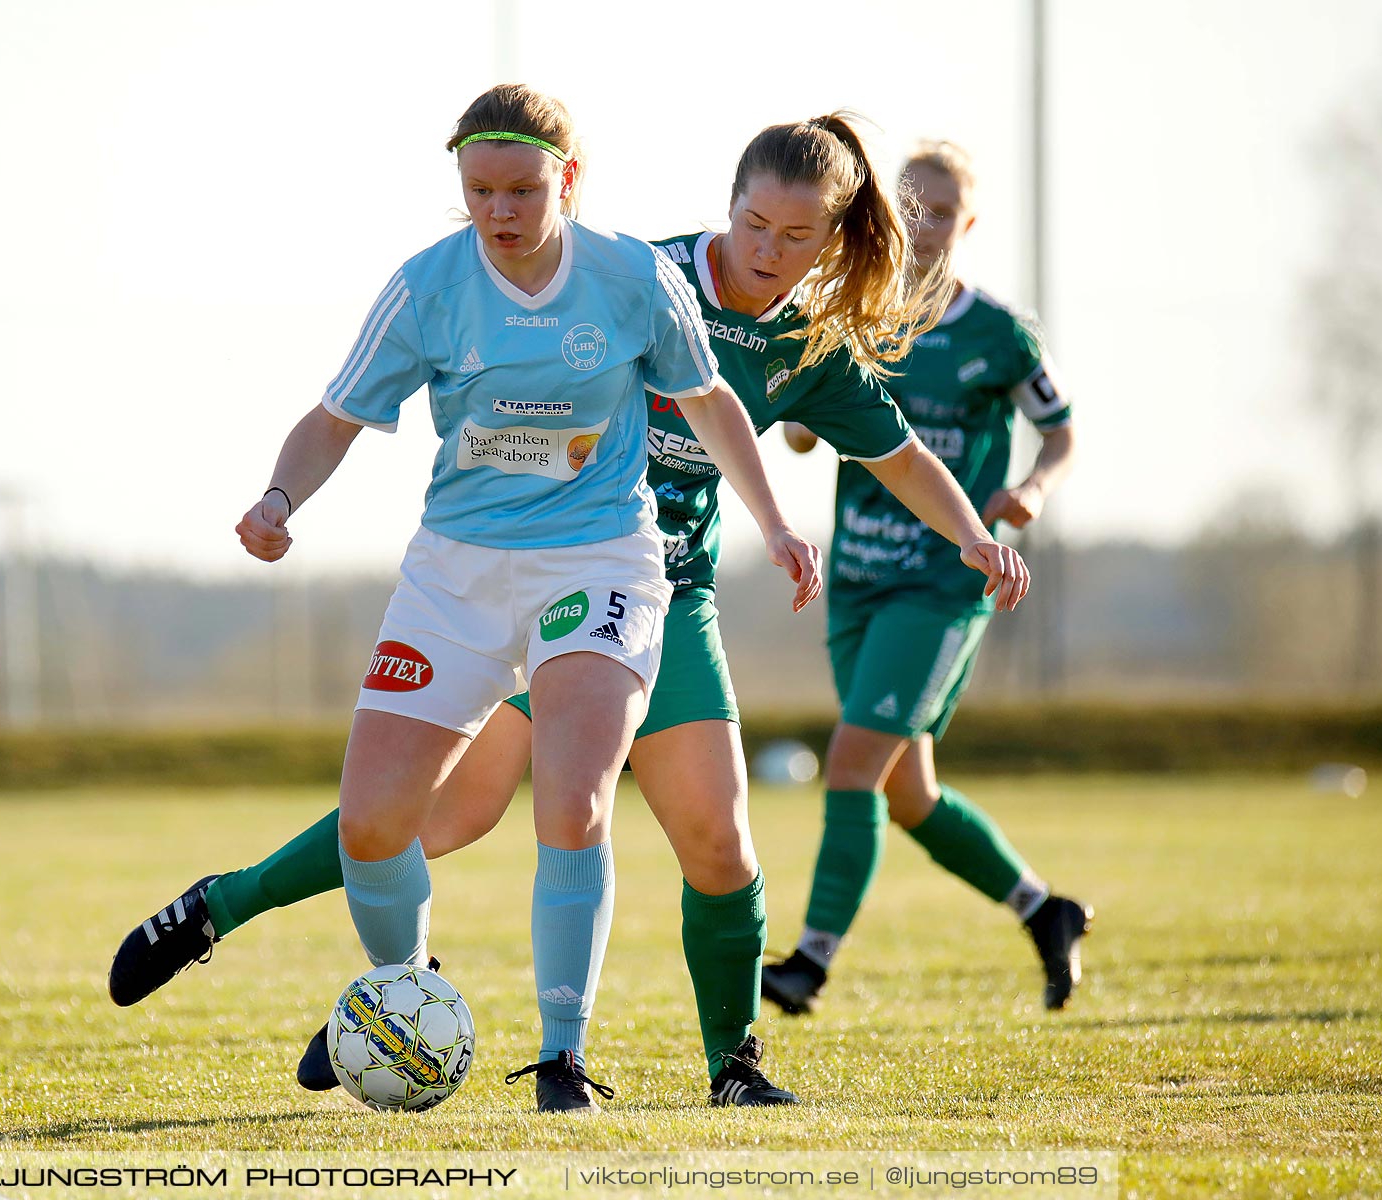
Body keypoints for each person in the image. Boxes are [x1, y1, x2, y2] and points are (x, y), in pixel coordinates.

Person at [110, 114, 1028, 1106]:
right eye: (754, 223)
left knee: (718, 840)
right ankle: (256, 919)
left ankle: (733, 1067)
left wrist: (972, 535)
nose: (767, 251)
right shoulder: (648, 275)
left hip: (663, 600)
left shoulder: (811, 346)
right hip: (538, 573)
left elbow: (899, 456)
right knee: (442, 815)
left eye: (796, 237)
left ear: (835, 237)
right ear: (729, 207)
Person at [764, 139, 1090, 1015]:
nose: (924, 224)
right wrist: (803, 417)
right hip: (861, 579)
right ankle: (1044, 908)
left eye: (943, 211)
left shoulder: (999, 335)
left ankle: (810, 964)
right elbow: (800, 430)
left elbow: (1061, 432)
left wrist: (1031, 490)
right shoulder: (852, 318)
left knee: (851, 763)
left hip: (944, 585)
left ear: (968, 223)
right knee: (910, 794)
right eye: (910, 206)